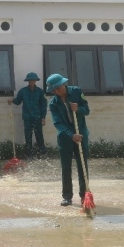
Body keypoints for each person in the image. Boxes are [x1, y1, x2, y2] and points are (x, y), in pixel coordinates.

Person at [46, 73, 90, 207]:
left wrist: (79, 109)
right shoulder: (53, 103)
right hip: (65, 138)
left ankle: (84, 196)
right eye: (54, 90)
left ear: (63, 84)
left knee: (83, 167)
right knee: (66, 168)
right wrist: (71, 135)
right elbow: (58, 123)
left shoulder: (76, 92)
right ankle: (67, 197)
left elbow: (87, 110)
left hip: (81, 135)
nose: (57, 92)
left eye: (58, 88)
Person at [9, 72, 48, 157]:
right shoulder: (23, 91)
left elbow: (43, 105)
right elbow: (18, 101)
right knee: (28, 135)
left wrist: (43, 117)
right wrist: (12, 101)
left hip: (37, 117)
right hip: (27, 117)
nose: (32, 82)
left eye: (33, 80)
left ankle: (42, 152)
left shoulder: (40, 92)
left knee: (39, 135)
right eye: (30, 80)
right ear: (28, 81)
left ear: (35, 81)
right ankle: (29, 153)